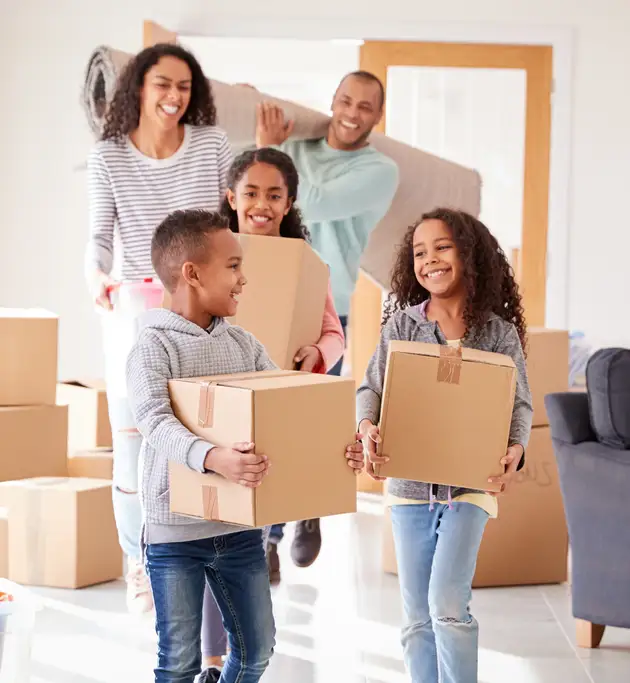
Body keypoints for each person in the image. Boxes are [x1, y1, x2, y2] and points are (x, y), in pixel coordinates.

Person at [126, 209, 365, 683]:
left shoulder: (244, 344)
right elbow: (153, 420)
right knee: (178, 662)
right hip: (175, 531)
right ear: (191, 274)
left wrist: (338, 450)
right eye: (233, 266)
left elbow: (284, 414)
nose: (243, 279)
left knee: (256, 651)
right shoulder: (153, 345)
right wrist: (214, 458)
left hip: (239, 528)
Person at [356, 208, 533, 683]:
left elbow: (519, 406)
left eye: (441, 247)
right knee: (416, 618)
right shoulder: (401, 328)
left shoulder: (498, 334)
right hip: (409, 489)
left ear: (469, 256)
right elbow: (370, 388)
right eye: (419, 252)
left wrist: (516, 449)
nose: (429, 260)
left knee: (447, 605)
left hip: (470, 488)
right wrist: (367, 424)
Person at [85, 43, 232, 614]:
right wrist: (95, 274)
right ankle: (139, 563)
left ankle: (206, 563)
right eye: (163, 85)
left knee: (201, 440)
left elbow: (232, 222)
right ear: (138, 89)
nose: (174, 97)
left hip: (202, 315)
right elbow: (99, 236)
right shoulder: (109, 157)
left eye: (185, 88)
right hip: (134, 313)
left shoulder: (212, 145)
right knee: (133, 452)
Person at [253, 70, 400, 568]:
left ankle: (307, 510)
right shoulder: (299, 147)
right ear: (333, 101)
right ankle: (268, 542)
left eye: (364, 106)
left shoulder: (380, 171)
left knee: (306, 426)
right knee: (265, 424)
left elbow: (311, 201)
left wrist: (273, 150)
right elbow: (255, 192)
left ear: (377, 116)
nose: (351, 113)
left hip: (326, 304)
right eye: (344, 101)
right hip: (271, 294)